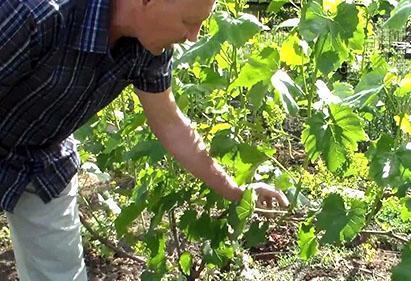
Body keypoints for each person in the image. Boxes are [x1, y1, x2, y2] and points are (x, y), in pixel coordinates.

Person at [0, 0, 289, 280]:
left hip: (43, 156)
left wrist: (237, 191)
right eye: (189, 22)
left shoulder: (147, 48)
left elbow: (170, 124)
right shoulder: (35, 15)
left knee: (60, 275)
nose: (192, 37)